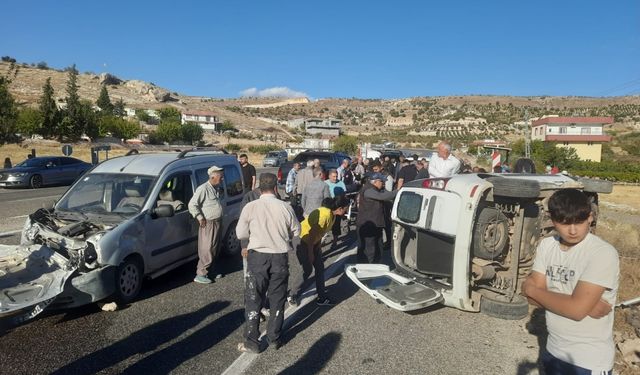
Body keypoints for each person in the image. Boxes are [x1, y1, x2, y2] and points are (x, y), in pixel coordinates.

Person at [522, 189, 619, 375]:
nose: (573, 230)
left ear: (590, 217)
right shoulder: (547, 246)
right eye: (565, 223)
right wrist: (577, 302)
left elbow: (575, 311)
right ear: (552, 219)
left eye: (579, 222)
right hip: (553, 351)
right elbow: (531, 300)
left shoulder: (602, 253)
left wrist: (533, 290)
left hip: (588, 361)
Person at [236, 173, 301, 353]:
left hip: (257, 257)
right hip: (279, 256)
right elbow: (297, 230)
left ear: (258, 187)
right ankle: (274, 338)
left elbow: (241, 233)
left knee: (253, 298)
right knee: (277, 298)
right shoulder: (285, 207)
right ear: (275, 188)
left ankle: (252, 342)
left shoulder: (251, 206)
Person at [288, 196, 349, 307]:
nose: (347, 210)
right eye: (346, 208)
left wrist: (318, 247)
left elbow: (320, 233)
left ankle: (321, 297)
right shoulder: (325, 215)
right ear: (340, 208)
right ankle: (292, 294)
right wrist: (311, 253)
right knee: (307, 269)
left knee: (320, 268)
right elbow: (311, 235)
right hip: (302, 240)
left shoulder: (332, 215)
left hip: (312, 242)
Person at [188, 166, 224, 284]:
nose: (222, 179)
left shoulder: (215, 188)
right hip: (208, 223)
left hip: (217, 222)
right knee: (206, 248)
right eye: (220, 177)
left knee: (215, 248)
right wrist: (199, 217)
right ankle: (201, 274)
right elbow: (192, 204)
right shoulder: (203, 189)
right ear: (213, 176)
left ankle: (210, 271)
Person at [356, 173, 397, 263]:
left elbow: (387, 194)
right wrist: (398, 191)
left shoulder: (378, 189)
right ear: (375, 182)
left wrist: (387, 191)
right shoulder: (368, 190)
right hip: (367, 225)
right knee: (369, 249)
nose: (383, 183)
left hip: (376, 224)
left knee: (378, 246)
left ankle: (376, 264)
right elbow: (383, 197)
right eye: (381, 181)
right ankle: (367, 269)